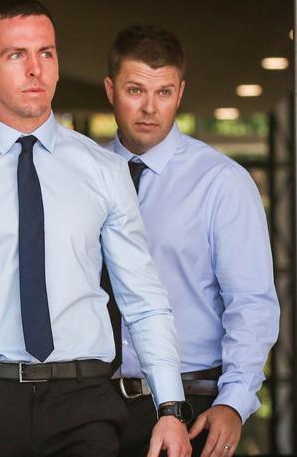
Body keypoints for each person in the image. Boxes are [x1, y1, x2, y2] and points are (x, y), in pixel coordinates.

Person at [0, 0, 192, 457]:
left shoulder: (102, 171)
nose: (36, 69)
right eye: (16, 55)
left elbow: (144, 299)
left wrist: (171, 407)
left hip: (82, 401)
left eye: (46, 53)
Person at [104, 24, 280, 457]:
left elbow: (252, 303)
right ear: (111, 90)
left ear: (180, 93)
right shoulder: (84, 175)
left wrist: (233, 403)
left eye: (164, 92)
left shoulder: (221, 182)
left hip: (192, 402)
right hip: (93, 406)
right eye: (135, 90)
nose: (149, 108)